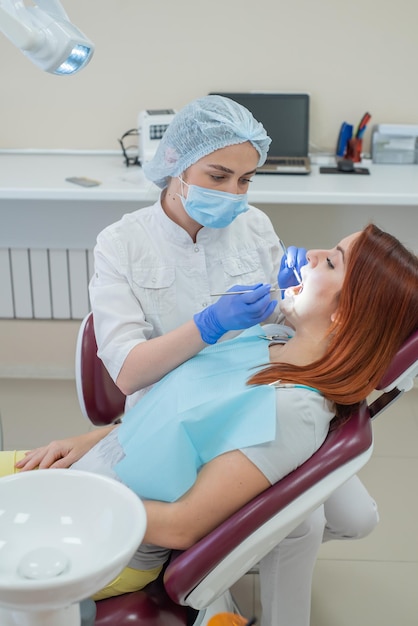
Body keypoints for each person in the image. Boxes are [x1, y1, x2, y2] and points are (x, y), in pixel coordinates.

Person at [14, 96, 378, 624]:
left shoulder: (252, 226)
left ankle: (223, 555)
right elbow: (131, 373)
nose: (235, 194)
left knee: (355, 516)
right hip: (177, 413)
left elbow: (285, 320)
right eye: (220, 175)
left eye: (247, 180)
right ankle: (217, 579)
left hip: (254, 392)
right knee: (299, 521)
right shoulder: (123, 244)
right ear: (178, 162)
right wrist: (208, 327)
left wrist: (298, 296)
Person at [7, 225, 418, 613]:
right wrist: (93, 442)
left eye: (331, 262)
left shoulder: (291, 411)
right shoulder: (273, 339)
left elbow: (181, 527)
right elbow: (175, 419)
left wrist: (71, 497)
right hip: (82, 478)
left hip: (105, 537)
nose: (312, 255)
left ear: (344, 316)